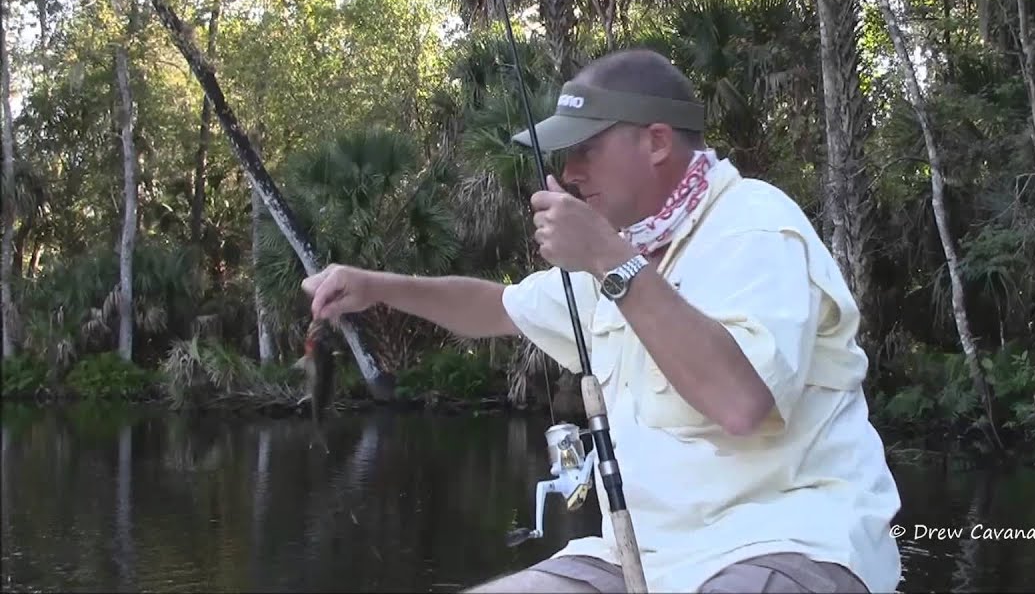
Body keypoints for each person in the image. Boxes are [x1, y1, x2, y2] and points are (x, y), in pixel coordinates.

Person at [301, 49, 903, 593]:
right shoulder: (617, 257)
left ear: (657, 143)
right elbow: (492, 306)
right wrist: (373, 286)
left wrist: (610, 260)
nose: (570, 172)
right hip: (638, 557)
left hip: (789, 545)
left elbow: (742, 403)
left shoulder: (754, 226)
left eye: (586, 148)